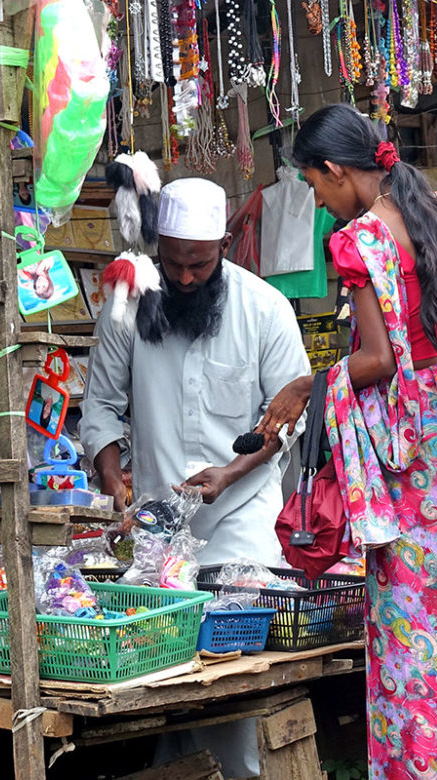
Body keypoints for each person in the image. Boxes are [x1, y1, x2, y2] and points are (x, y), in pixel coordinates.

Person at [260, 104, 437, 779]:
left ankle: (426, 767)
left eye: (317, 187)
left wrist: (307, 385)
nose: (320, 202)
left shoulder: (360, 243)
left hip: (415, 443)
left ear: (336, 169)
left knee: (412, 620)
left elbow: (376, 360)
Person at [80, 177, 310, 778]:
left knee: (237, 673)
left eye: (199, 265)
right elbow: (100, 406)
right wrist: (114, 479)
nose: (185, 279)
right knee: (167, 671)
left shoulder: (265, 309)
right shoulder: (128, 305)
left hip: (241, 521)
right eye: (174, 263)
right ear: (158, 248)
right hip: (156, 531)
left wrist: (233, 471)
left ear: (224, 246)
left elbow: (291, 415)